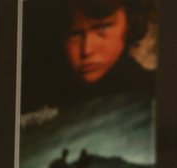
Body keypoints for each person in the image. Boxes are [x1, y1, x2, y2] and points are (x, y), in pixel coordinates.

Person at [21, 0, 154, 113]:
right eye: (73, 33)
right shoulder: (32, 96)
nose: (86, 50)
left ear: (129, 23)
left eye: (102, 27)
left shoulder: (151, 90)